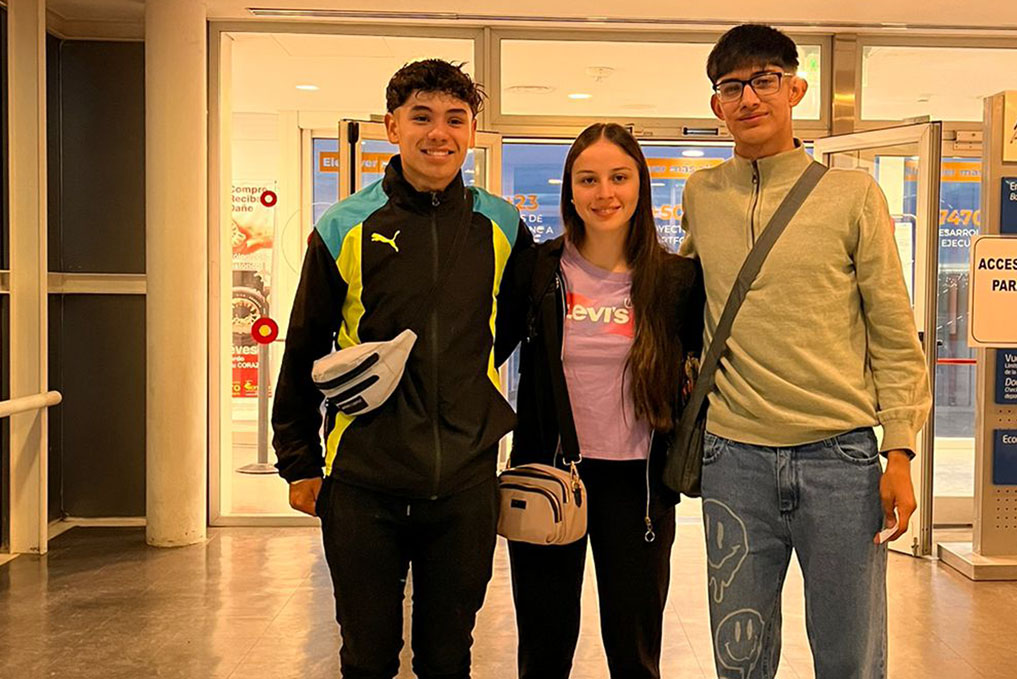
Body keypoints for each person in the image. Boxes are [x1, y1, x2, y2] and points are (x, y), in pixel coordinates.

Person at [680, 24, 932, 679]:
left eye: (764, 80)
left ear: (796, 88)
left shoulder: (853, 196)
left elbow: (894, 335)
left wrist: (899, 451)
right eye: (731, 87)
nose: (748, 98)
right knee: (740, 657)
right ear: (716, 105)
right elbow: (680, 301)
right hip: (733, 459)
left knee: (851, 658)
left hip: (841, 461)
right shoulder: (702, 195)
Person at [271, 59, 532, 679]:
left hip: (465, 482)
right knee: (367, 655)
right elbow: (303, 348)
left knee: (449, 656)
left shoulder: (501, 224)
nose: (438, 133)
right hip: (364, 481)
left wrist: (464, 390)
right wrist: (300, 464)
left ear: (472, 133)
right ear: (392, 126)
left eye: (454, 119)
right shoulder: (343, 228)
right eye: (421, 117)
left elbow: (509, 327)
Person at [494, 122, 704, 679]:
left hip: (638, 487)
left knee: (635, 652)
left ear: (640, 186)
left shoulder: (677, 281)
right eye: (588, 179)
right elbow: (484, 350)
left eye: (618, 177)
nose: (603, 193)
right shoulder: (538, 269)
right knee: (544, 647)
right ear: (569, 190)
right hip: (549, 476)